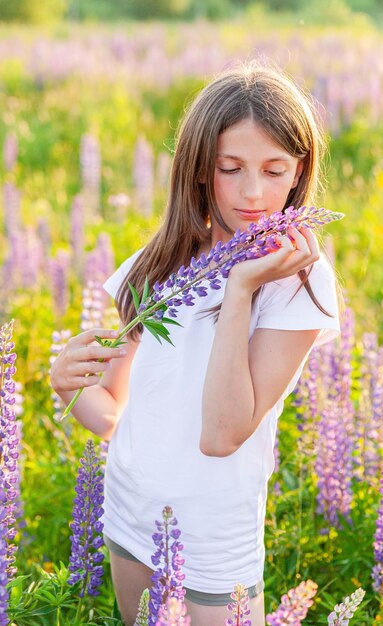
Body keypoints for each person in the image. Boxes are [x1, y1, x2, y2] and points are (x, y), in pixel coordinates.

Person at [50, 61, 342, 626]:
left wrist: (239, 293)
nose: (253, 193)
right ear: (201, 171)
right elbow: (114, 414)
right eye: (231, 169)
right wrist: (64, 383)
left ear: (299, 172)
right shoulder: (157, 262)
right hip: (129, 516)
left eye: (274, 169)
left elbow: (221, 434)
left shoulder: (298, 283)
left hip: (211, 541)